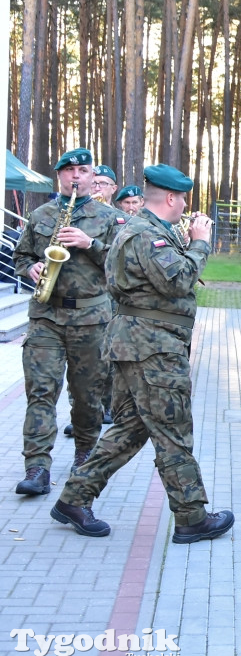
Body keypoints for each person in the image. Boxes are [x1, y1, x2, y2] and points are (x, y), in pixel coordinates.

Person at [50, 163, 233, 543]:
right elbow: (179, 280)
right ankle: (192, 517)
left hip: (142, 344)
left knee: (130, 430)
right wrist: (200, 242)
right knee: (173, 431)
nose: (185, 206)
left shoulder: (148, 231)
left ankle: (74, 497)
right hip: (152, 349)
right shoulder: (147, 235)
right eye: (182, 198)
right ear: (170, 197)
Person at [12, 148, 120, 496]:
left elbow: (126, 265)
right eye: (68, 170)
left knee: (87, 395)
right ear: (58, 175)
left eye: (83, 170)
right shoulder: (41, 215)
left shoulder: (110, 219)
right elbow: (21, 255)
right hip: (46, 315)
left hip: (91, 319)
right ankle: (37, 467)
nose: (75, 176)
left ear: (93, 177)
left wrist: (90, 243)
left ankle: (85, 454)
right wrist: (30, 267)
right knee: (40, 392)